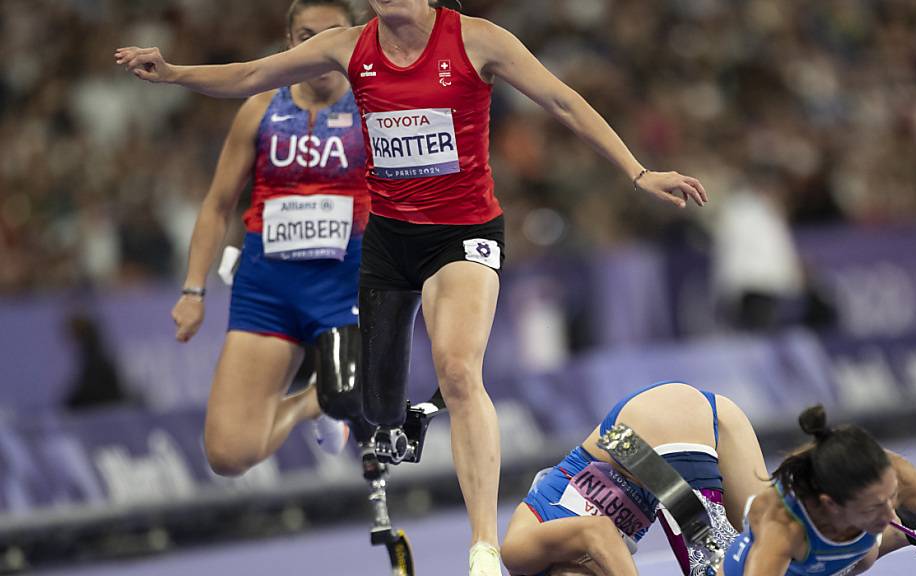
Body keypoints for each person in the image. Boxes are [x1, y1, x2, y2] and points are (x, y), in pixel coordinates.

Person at [116, 3, 708, 573]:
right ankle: (365, 406)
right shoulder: (348, 48)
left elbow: (561, 99)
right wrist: (172, 73)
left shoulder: (478, 39)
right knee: (375, 408)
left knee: (457, 368)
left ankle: (482, 547)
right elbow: (250, 74)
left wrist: (637, 171)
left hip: (464, 235)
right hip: (389, 244)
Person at [167, 0, 374, 477]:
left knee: (349, 395)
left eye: (332, 35)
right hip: (268, 288)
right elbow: (218, 204)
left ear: (355, 39)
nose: (319, 48)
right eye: (306, 37)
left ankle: (331, 399)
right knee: (228, 454)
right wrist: (193, 290)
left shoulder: (373, 106)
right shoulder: (261, 108)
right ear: (288, 43)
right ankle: (311, 404)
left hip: (344, 287)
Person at [716, 405, 916, 575]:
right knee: (860, 558)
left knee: (864, 553)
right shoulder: (782, 528)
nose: (890, 512)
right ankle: (899, 533)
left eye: (891, 499)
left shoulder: (893, 477)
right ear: (831, 504)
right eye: (873, 506)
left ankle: (905, 528)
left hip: (842, 546)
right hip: (758, 569)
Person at [501, 381, 769, 576]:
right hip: (697, 419)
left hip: (631, 440)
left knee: (710, 568)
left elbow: (598, 531)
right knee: (773, 545)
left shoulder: (518, 553)